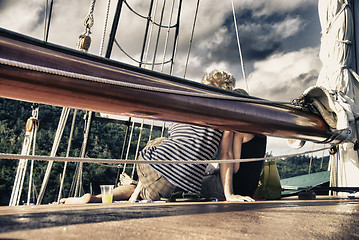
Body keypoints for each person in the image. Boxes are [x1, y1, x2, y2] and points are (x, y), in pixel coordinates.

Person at [61, 70, 235, 204]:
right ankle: (131, 192)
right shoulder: (226, 117)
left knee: (158, 143)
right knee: (150, 179)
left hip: (159, 174)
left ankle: (107, 197)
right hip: (187, 189)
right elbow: (225, 156)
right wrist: (229, 195)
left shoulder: (185, 106)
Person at [201, 89, 267, 202]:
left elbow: (235, 168)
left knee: (193, 182)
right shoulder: (262, 135)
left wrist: (215, 170)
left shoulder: (239, 132)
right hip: (248, 189)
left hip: (234, 187)